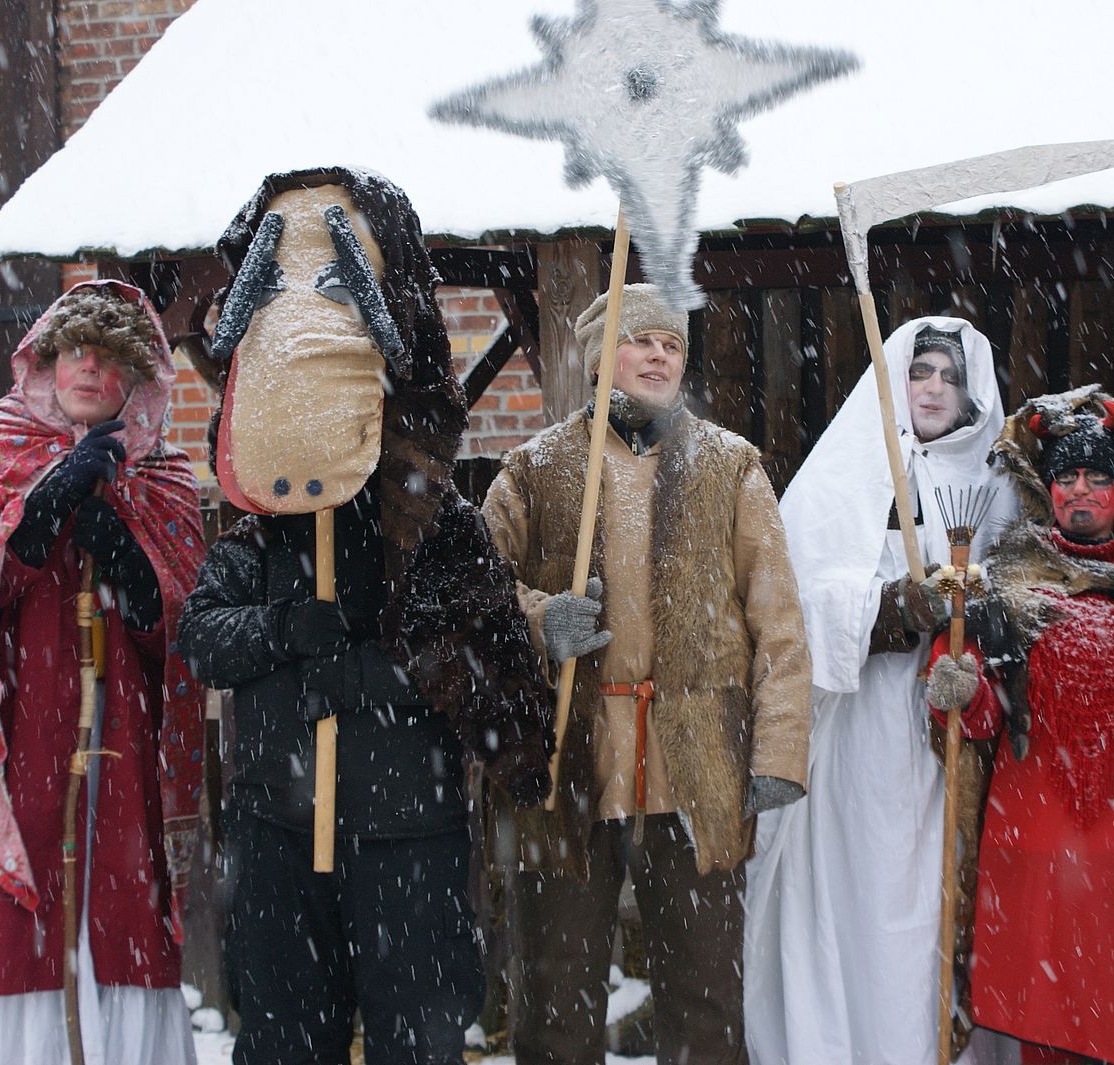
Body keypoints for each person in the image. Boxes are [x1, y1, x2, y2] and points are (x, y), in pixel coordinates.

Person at [177, 167, 552, 1065]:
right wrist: (282, 636)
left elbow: (492, 672)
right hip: (279, 834)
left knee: (413, 1042)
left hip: (406, 840)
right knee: (282, 1041)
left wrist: (389, 670)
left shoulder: (436, 531)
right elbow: (202, 634)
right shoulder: (261, 527)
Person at [482, 282, 812, 1065]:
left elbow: (779, 623)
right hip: (569, 760)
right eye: (641, 341)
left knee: (704, 995)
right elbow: (476, 591)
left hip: (698, 760)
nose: (660, 354)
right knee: (556, 995)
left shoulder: (730, 467)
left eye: (671, 343)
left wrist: (776, 754)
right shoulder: (534, 469)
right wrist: (540, 620)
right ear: (600, 360)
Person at [0, 281, 207, 1065]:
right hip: (11, 740)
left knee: (117, 913)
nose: (89, 366)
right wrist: (43, 511)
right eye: (76, 348)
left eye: (111, 355)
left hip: (119, 747)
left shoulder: (163, 474)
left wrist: (126, 554)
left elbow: (181, 625)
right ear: (46, 357)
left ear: (139, 376)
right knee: (13, 933)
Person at [929, 386, 1114, 1065]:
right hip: (1041, 853)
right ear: (1050, 489)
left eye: (1099, 477)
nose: (1082, 490)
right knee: (1054, 1036)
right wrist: (956, 686)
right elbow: (977, 721)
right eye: (1067, 476)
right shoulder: (1005, 587)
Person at [743, 317, 1019, 1065]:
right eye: (921, 371)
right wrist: (891, 606)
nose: (933, 387)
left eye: (950, 376)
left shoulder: (997, 482)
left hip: (952, 728)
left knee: (940, 896)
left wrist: (973, 625)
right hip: (864, 727)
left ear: (974, 392)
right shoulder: (853, 463)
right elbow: (795, 594)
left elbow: (1023, 595)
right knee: (869, 898)